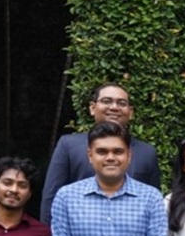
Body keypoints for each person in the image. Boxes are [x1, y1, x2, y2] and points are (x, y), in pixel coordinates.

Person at [39, 83, 161, 220]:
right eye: (107, 101)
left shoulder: (147, 152)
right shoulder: (69, 145)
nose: (114, 107)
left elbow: (153, 205)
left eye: (121, 103)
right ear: (92, 108)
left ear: (130, 112)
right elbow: (51, 196)